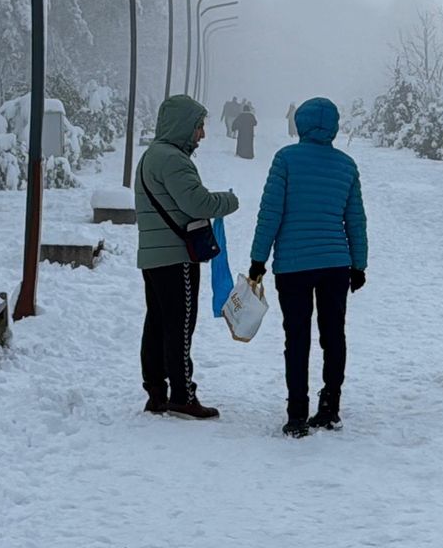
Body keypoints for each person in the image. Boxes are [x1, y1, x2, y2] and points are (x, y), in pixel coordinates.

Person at [249, 97, 368, 438]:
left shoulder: (286, 159)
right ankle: (330, 407)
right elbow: (355, 220)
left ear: (300, 123)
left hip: (293, 266)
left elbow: (270, 212)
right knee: (334, 335)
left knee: (297, 337)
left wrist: (258, 260)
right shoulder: (346, 165)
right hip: (335, 264)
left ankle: (296, 415)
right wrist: (358, 265)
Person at [135, 94, 240, 420]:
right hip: (175, 256)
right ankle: (182, 395)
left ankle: (156, 392)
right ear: (183, 126)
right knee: (179, 325)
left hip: (153, 256)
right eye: (198, 127)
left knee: (157, 323)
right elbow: (198, 204)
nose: (202, 134)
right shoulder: (173, 160)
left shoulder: (151, 156)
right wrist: (229, 201)